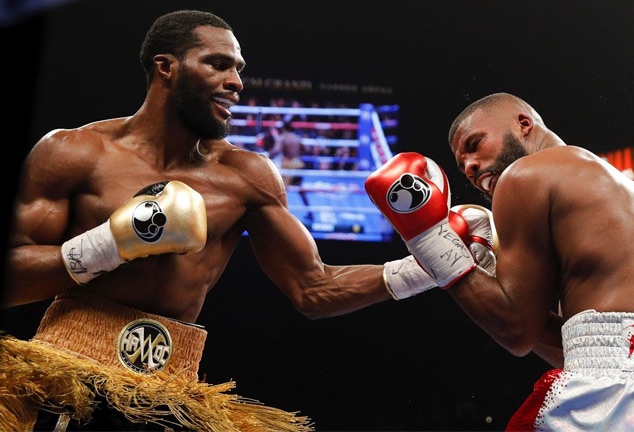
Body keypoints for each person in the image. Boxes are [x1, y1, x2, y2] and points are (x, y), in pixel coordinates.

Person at [0, 10, 440, 432]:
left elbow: (314, 288)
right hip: (65, 377)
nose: (236, 83)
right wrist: (109, 244)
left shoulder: (247, 176)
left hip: (170, 394)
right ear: (166, 67)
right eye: (218, 65)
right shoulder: (73, 152)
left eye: (239, 69)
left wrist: (427, 267)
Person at [365, 92, 634, 431]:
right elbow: (594, 350)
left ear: (523, 124)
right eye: (463, 167)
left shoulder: (525, 175)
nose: (471, 168)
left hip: (609, 402)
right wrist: (485, 274)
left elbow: (516, 332)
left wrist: (433, 242)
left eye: (475, 145)